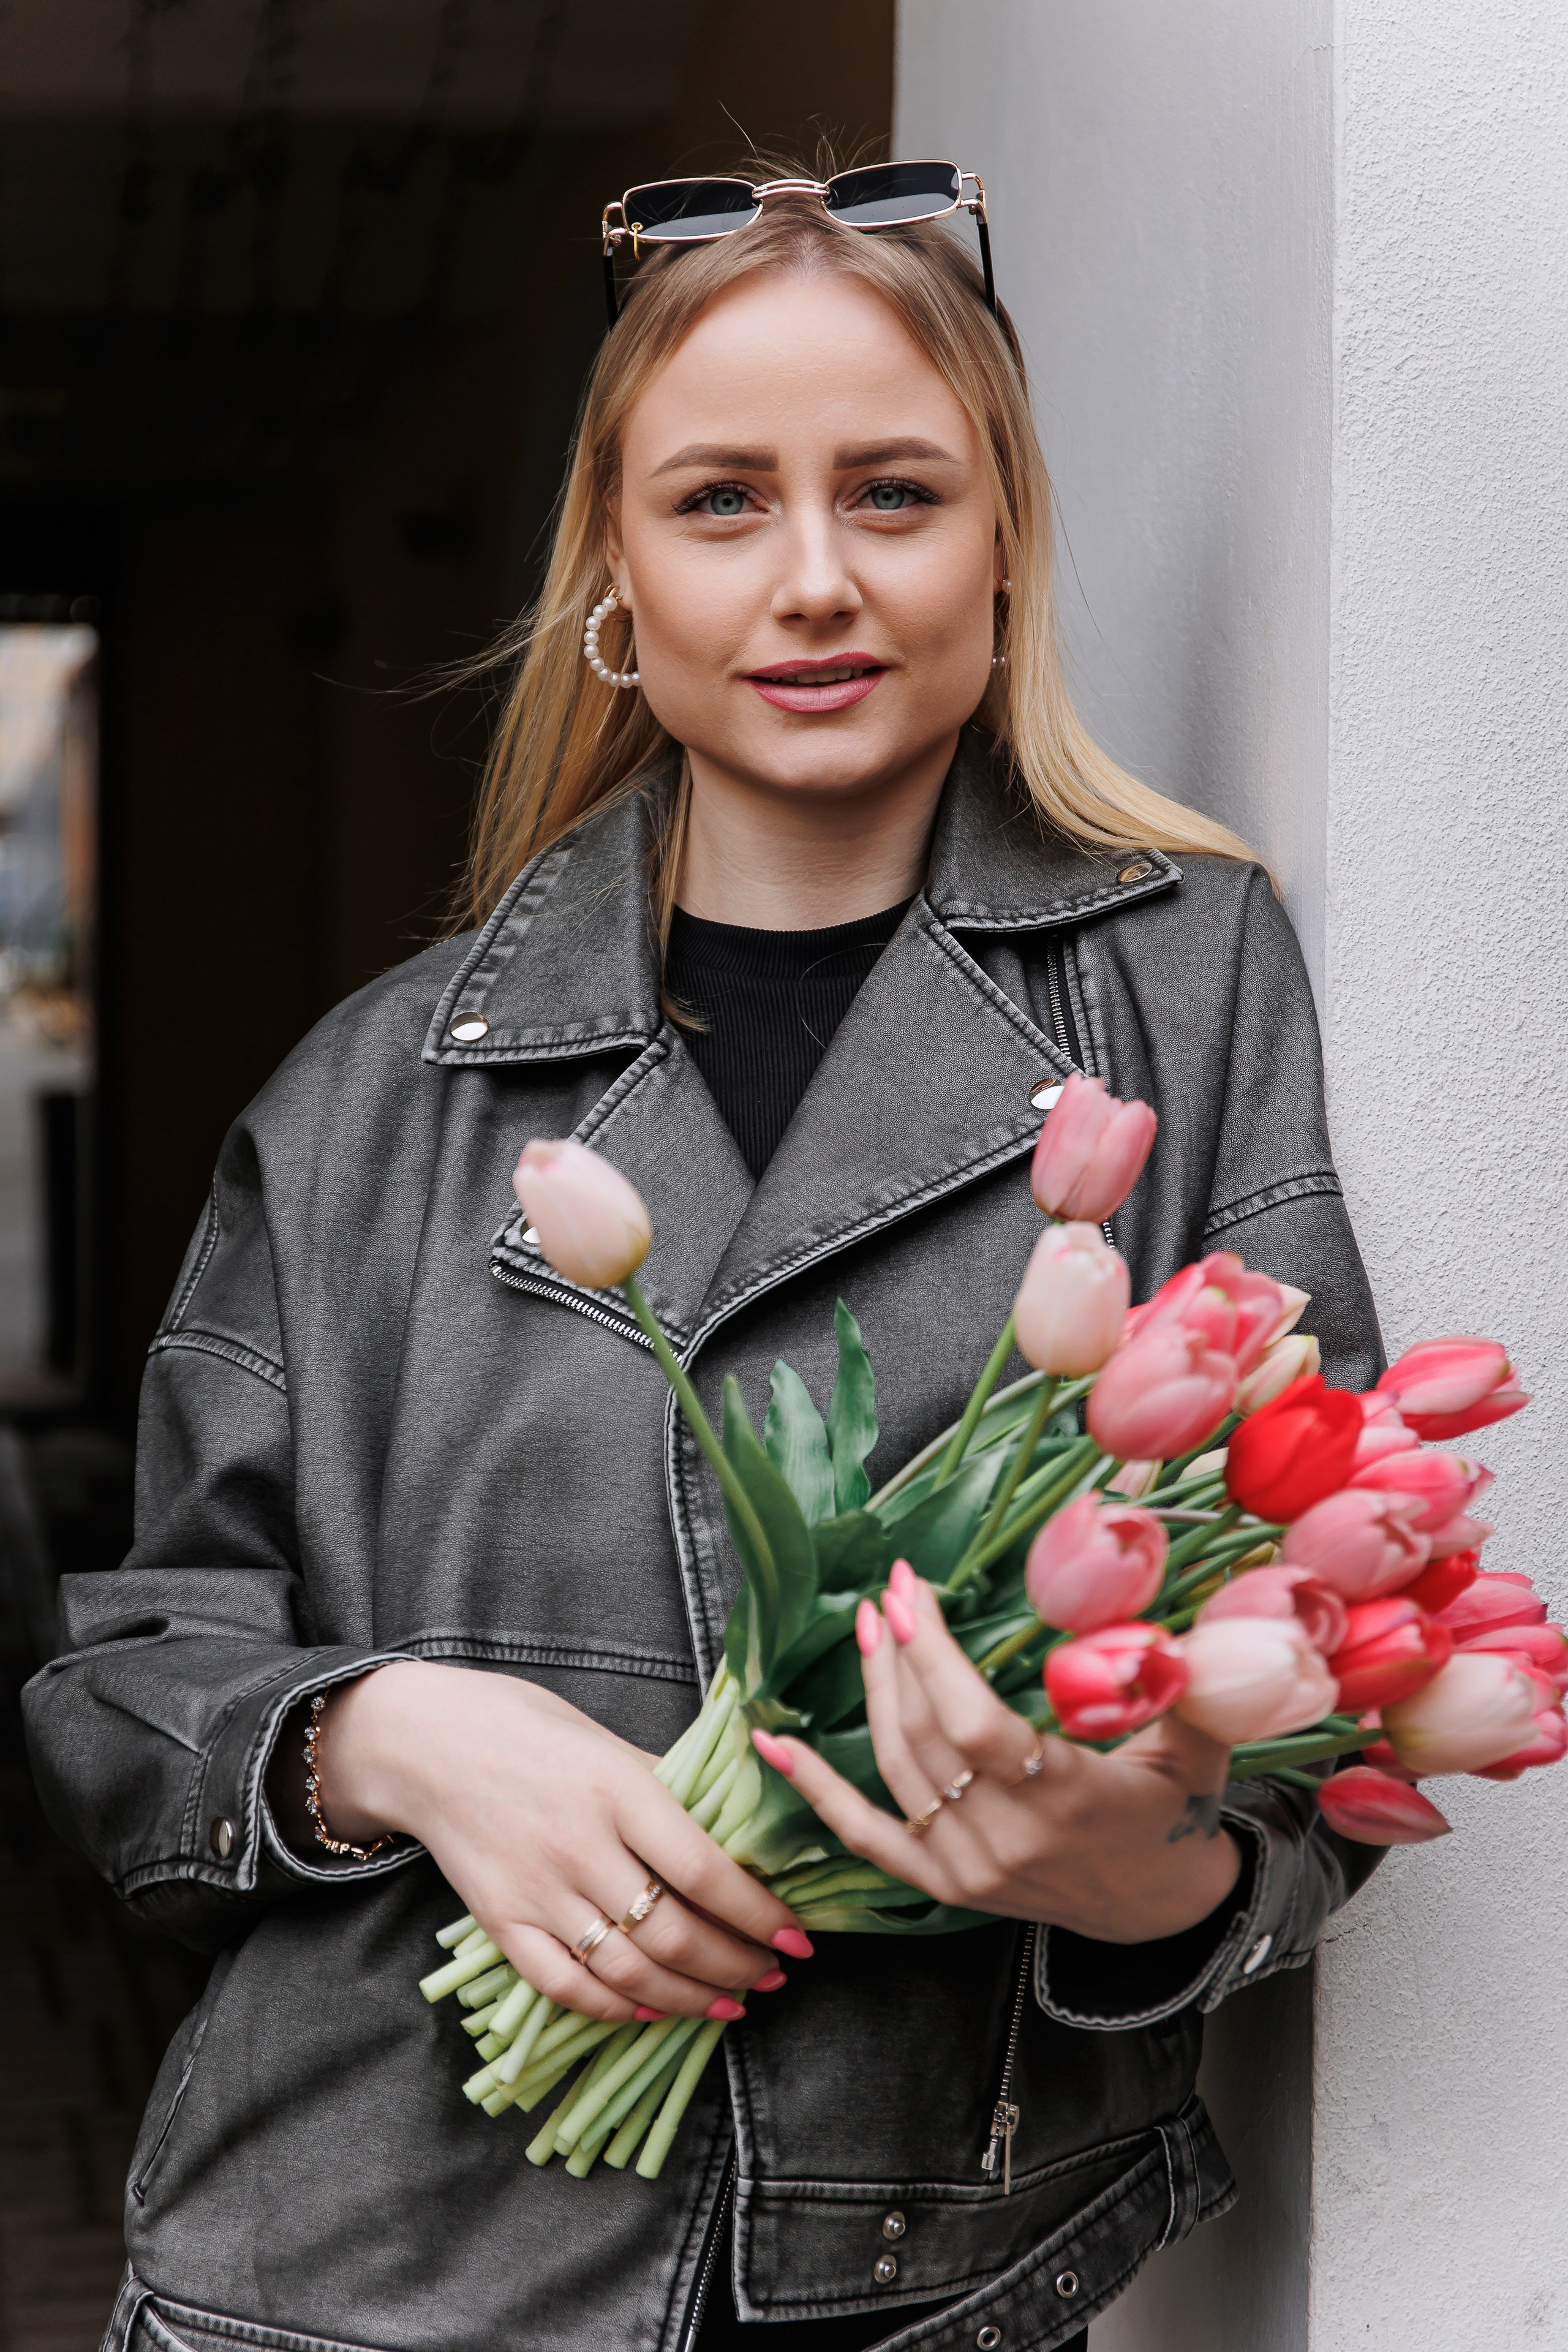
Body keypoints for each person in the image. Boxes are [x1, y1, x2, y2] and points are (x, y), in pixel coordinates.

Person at [24, 154, 1382, 2352]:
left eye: (900, 494)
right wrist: (397, 1738)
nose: (818, 579)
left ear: (1010, 551)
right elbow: (124, 1684)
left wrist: (1135, 1875)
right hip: (353, 2278)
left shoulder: (1187, 986)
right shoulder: (375, 1094)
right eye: (725, 502)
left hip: (938, 2287)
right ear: (617, 586)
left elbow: (1320, 1652)